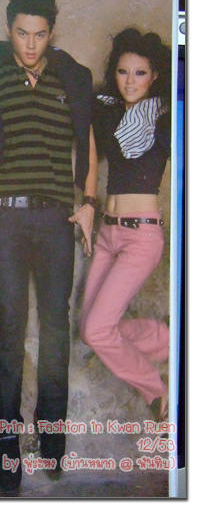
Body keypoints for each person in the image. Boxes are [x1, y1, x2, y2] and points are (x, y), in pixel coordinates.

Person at [0, 0, 98, 492]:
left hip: (57, 218)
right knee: (11, 329)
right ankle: (6, 441)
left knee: (56, 326)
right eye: (22, 33)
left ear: (51, 32)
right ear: (8, 29)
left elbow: (86, 143)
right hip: (6, 219)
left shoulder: (71, 78)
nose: (31, 44)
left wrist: (88, 202)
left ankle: (52, 431)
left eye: (40, 34)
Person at [79, 27, 171, 421]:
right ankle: (165, 339)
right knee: (91, 330)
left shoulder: (165, 117)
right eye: (122, 72)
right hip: (107, 233)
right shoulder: (109, 113)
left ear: (154, 76)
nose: (130, 82)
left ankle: (157, 391)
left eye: (140, 73)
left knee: (98, 330)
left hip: (141, 237)